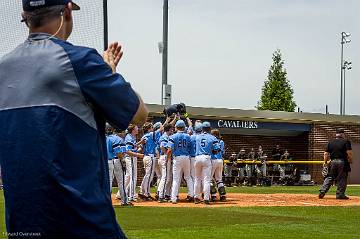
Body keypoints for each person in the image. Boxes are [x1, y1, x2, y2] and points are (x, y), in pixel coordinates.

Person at [0, 1, 148, 238]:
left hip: (22, 224)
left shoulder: (3, 67)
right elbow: (139, 114)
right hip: (82, 222)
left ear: (24, 16)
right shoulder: (80, 60)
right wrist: (109, 72)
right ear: (67, 11)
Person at [319, 129, 353, 199]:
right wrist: (351, 160)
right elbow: (349, 153)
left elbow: (325, 154)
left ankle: (322, 191)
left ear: (336, 134)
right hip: (342, 162)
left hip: (333, 161)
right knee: (342, 178)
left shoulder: (330, 142)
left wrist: (325, 162)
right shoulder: (346, 141)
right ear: (342, 134)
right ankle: (340, 194)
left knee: (329, 177)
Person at [167, 120, 194, 203]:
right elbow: (191, 147)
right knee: (188, 177)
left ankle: (174, 198)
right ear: (183, 127)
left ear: (176, 127)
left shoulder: (172, 136)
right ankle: (191, 195)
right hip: (186, 157)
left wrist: (167, 158)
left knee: (176, 179)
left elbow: (169, 149)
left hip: (177, 158)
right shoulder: (188, 136)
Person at [194, 122, 220, 205]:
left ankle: (196, 197)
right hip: (206, 157)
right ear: (209, 128)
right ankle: (206, 198)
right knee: (206, 180)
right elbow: (217, 149)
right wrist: (212, 151)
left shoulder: (197, 137)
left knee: (197, 179)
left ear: (202, 128)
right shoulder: (212, 137)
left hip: (197, 157)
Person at [139, 122, 162, 200]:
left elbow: (140, 148)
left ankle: (144, 191)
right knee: (149, 176)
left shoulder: (143, 136)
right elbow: (161, 129)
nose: (152, 129)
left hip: (146, 157)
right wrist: (168, 119)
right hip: (150, 156)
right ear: (149, 129)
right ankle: (145, 193)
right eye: (151, 128)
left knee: (147, 175)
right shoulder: (150, 134)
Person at [124, 124, 144, 202]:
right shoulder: (129, 138)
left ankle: (121, 193)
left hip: (132, 157)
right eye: (136, 127)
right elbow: (128, 151)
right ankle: (132, 196)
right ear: (132, 130)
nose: (137, 128)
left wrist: (140, 143)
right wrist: (139, 154)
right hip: (130, 158)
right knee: (133, 177)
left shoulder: (131, 137)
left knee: (128, 177)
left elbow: (133, 147)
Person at [157, 124, 174, 202]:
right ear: (169, 129)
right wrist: (167, 156)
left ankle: (166, 194)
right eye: (171, 129)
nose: (172, 130)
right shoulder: (164, 136)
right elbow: (161, 146)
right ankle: (161, 196)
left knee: (168, 177)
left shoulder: (166, 136)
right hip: (165, 157)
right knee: (165, 177)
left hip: (163, 157)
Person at [210, 129, 226, 202]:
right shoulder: (221, 141)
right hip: (220, 160)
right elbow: (222, 152)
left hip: (213, 160)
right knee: (219, 179)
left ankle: (213, 196)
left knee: (209, 179)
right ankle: (223, 196)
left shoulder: (211, 140)